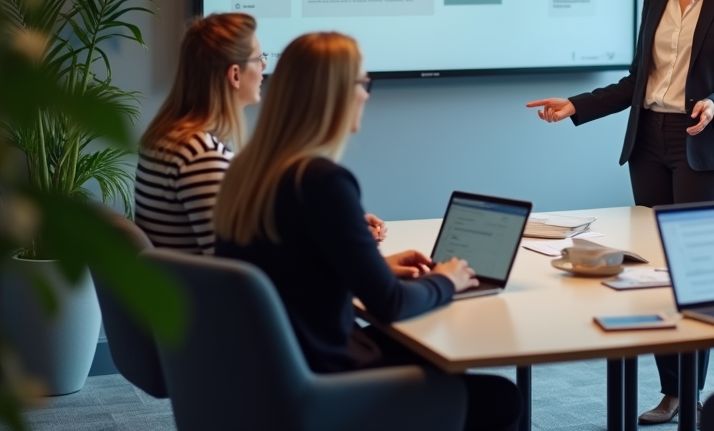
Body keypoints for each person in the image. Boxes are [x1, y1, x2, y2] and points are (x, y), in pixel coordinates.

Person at [526, 0, 714, 425]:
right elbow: (640, 81)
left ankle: (695, 394)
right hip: (649, 141)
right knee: (656, 269)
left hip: (698, 139)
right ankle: (673, 391)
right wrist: (576, 105)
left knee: (694, 273)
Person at [213, 32, 521, 431]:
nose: (367, 95)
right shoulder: (322, 182)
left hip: (271, 372)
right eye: (363, 84)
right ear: (335, 95)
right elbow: (390, 304)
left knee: (428, 355)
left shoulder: (248, 169)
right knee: (501, 398)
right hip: (327, 378)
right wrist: (447, 280)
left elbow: (297, 263)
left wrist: (375, 264)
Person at [134, 13, 265, 254]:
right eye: (259, 58)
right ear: (235, 74)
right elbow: (232, 262)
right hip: (202, 291)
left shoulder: (167, 137)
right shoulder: (200, 155)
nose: (264, 65)